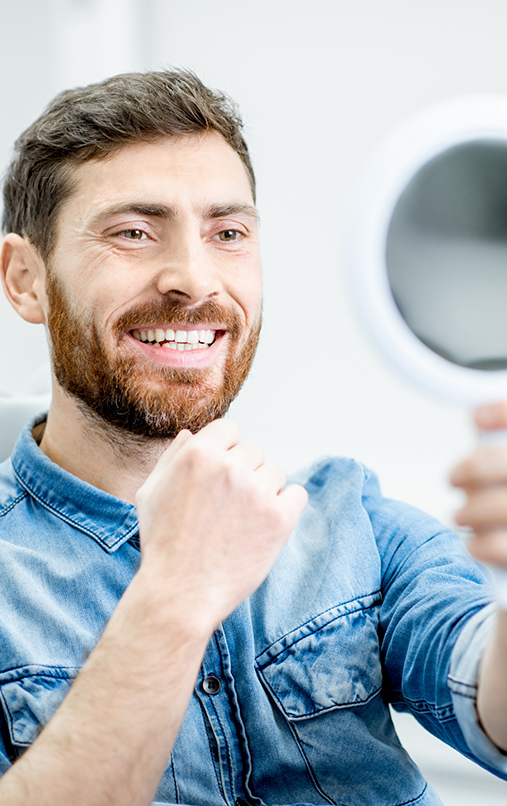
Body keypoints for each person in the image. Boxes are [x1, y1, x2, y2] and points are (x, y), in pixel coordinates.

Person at [0, 69, 506, 806]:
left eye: (227, 233)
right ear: (25, 279)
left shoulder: (351, 519)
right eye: (133, 232)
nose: (192, 277)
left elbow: (488, 700)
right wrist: (175, 592)